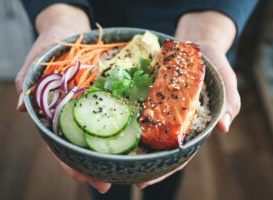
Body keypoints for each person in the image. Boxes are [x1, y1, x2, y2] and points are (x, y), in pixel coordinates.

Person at [16, 0, 258, 199]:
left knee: (165, 176)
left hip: (190, 11)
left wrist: (209, 27)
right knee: (102, 179)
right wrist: (57, 16)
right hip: (83, 12)